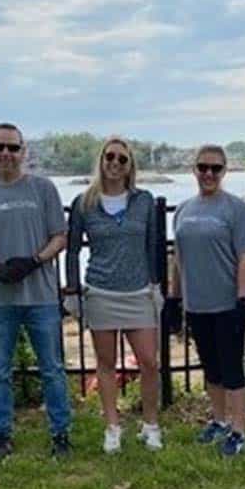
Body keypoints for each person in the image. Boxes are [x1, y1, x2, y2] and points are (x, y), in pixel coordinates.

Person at [0, 123, 71, 462]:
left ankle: (61, 432)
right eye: (0, 147)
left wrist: (35, 261)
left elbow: (60, 236)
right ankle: (0, 434)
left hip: (41, 297)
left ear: (24, 151)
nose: (6, 154)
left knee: (52, 368)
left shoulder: (43, 189)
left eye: (13, 148)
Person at [65, 136, 163, 454]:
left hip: (138, 292)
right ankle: (112, 427)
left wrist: (157, 285)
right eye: (110, 157)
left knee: (149, 362)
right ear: (101, 160)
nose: (115, 164)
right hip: (101, 291)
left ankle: (150, 425)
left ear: (130, 165)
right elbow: (72, 250)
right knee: (105, 363)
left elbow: (153, 245)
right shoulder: (85, 203)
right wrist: (72, 291)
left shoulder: (143, 201)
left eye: (122, 159)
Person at [168, 144, 245, 456]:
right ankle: (218, 421)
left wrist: (243, 300)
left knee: (233, 370)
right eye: (203, 167)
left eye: (215, 169)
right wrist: (174, 298)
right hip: (196, 304)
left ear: (224, 171)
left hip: (226, 303)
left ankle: (238, 429)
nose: (208, 174)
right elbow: (178, 257)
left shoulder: (237, 210)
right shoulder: (183, 210)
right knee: (211, 370)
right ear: (194, 169)